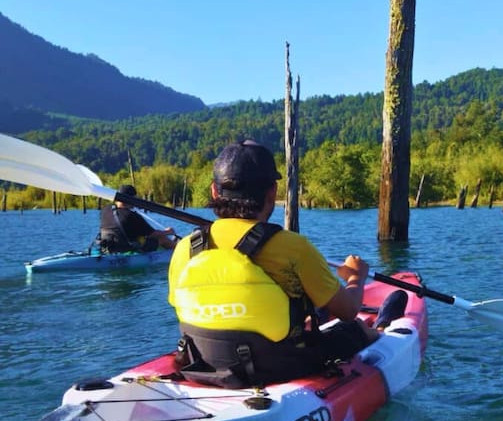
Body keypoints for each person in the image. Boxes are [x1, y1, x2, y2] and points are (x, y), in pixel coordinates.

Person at [167, 140, 404, 388]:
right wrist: (356, 277)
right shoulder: (293, 247)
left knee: (310, 312)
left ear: (214, 192)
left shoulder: (186, 248)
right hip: (278, 367)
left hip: (206, 364)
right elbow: (348, 311)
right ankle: (382, 327)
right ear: (272, 191)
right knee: (354, 329)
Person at [98, 185, 177, 253]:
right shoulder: (132, 216)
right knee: (162, 238)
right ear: (132, 199)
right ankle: (178, 253)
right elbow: (153, 234)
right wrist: (168, 232)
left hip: (109, 247)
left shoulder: (105, 210)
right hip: (126, 247)